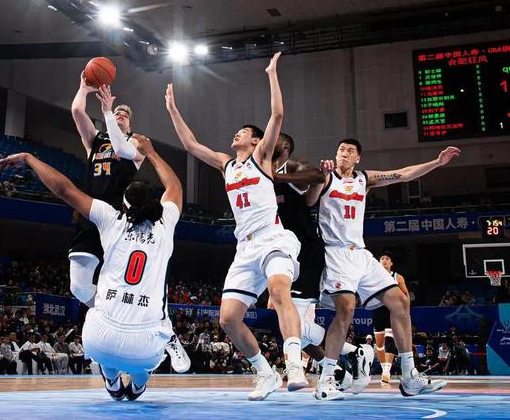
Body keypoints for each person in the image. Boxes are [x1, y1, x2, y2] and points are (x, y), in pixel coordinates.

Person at [0, 134, 181, 401]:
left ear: (124, 205)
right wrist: (151, 152)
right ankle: (138, 383)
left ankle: (111, 377)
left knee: (94, 311)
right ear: (156, 206)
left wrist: (29, 158)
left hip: (99, 339)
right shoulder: (167, 224)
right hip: (144, 345)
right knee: (144, 363)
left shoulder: (111, 219)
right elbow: (174, 186)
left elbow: (64, 189)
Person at [166, 52, 305, 400]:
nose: (237, 133)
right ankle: (266, 373)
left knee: (279, 291)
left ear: (256, 141)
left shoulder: (261, 158)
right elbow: (190, 145)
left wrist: (271, 74)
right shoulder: (227, 165)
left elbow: (277, 115)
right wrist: (173, 110)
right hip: (244, 247)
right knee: (227, 318)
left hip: (273, 238)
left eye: (243, 132)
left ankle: (294, 364)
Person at [306, 139, 459, 400]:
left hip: (361, 253)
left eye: (350, 151)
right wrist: (320, 178)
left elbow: (403, 174)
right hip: (336, 252)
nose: (344, 153)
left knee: (400, 301)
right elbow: (310, 201)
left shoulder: (364, 179)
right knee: (346, 310)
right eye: (341, 149)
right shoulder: (326, 177)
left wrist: (436, 162)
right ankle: (326, 380)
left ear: (358, 158)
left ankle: (409, 377)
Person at [69, 77, 189, 373]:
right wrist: (84, 88)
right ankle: (114, 320)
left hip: (122, 223)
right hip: (92, 217)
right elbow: (77, 112)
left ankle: (164, 329)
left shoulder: (135, 142)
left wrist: (108, 112)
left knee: (145, 282)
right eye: (118, 111)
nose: (121, 113)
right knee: (78, 287)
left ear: (129, 123)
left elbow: (122, 150)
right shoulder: (96, 140)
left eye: (125, 114)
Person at [270, 133, 368, 392]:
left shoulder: (292, 167)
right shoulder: (259, 172)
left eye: (273, 139)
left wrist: (277, 177)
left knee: (292, 325)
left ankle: (338, 356)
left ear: (285, 146)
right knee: (286, 325)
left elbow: (316, 176)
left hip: (305, 252)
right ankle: (344, 358)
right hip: (276, 252)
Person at [373, 251, 409, 384]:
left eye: (387, 258)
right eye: (382, 258)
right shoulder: (373, 276)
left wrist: (406, 312)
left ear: (391, 263)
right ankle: (384, 368)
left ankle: (387, 371)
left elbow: (406, 295)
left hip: (392, 310)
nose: (384, 260)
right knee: (379, 344)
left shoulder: (397, 277)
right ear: (379, 262)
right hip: (377, 309)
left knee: (390, 339)